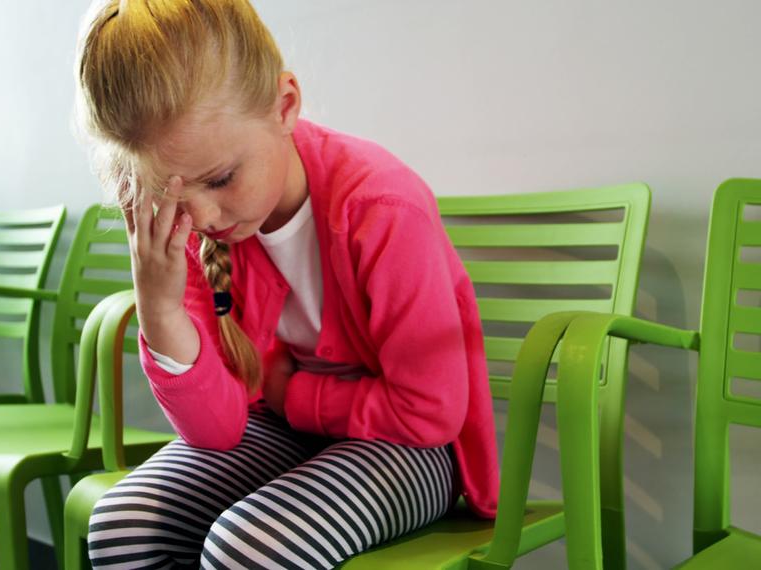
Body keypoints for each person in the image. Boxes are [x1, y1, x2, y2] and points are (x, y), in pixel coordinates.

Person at [75, 1, 498, 567]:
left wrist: (291, 396)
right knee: (122, 526)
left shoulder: (384, 208)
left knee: (247, 550)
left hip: (411, 447)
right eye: (175, 196)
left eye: (221, 179)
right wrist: (162, 313)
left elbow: (430, 412)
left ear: (285, 106)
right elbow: (219, 429)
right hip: (285, 431)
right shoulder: (199, 229)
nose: (202, 216)